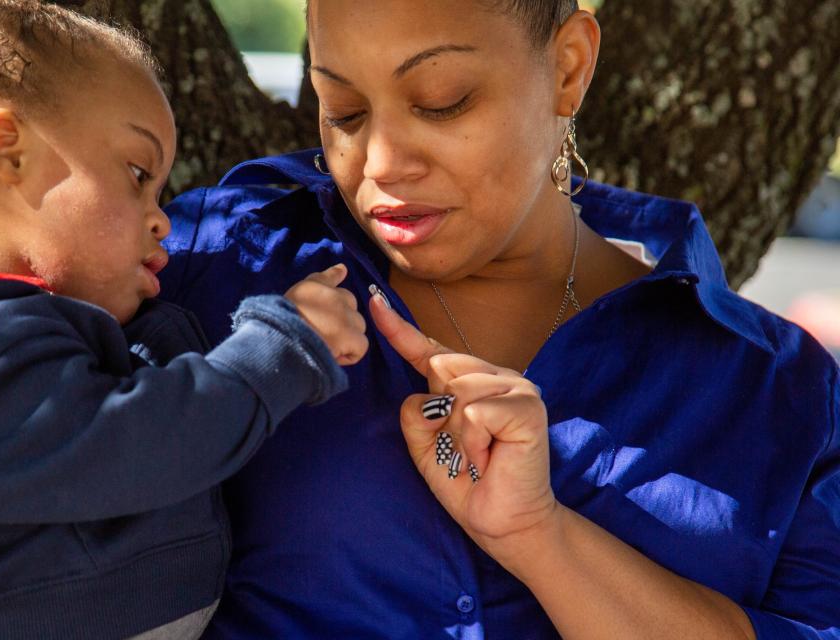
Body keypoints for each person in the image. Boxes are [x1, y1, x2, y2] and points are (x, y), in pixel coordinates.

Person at [159, 0, 840, 638]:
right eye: (344, 111)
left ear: (568, 68)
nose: (382, 163)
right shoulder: (212, 264)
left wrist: (541, 537)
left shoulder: (784, 392)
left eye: (441, 102)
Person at [0, 1, 367, 638]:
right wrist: (282, 346)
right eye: (138, 174)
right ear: (9, 150)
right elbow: (143, 444)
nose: (160, 216)